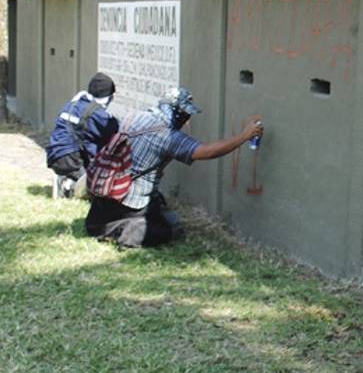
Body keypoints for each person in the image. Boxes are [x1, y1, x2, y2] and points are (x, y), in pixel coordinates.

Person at [85, 86, 263, 248]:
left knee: (158, 207)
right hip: (130, 199)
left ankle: (105, 224)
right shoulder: (167, 136)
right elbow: (207, 152)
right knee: (169, 228)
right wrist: (244, 136)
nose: (186, 120)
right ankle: (122, 233)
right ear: (177, 113)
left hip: (108, 190)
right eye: (185, 115)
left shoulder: (135, 117)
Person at [46, 72, 121, 197]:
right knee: (99, 191)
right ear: (108, 97)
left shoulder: (74, 104)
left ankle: (66, 178)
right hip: (71, 160)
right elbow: (115, 131)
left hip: (55, 155)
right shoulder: (96, 113)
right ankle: (68, 185)